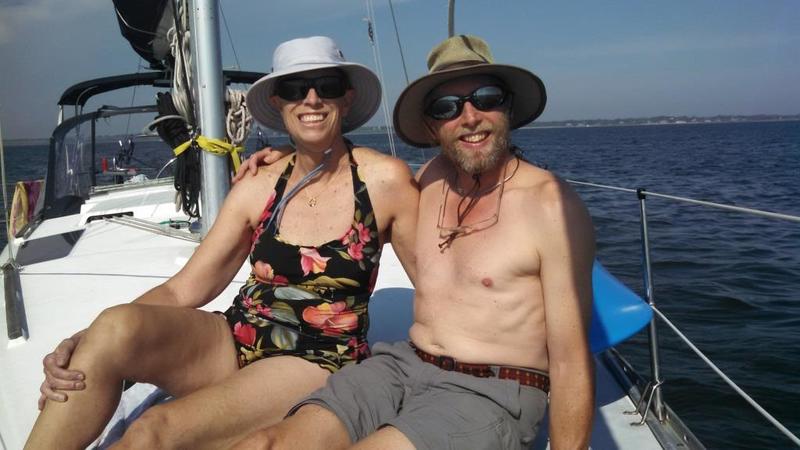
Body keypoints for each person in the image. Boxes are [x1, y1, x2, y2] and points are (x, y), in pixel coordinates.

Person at [27, 36, 418, 450]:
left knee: (150, 433)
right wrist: (81, 340)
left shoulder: (385, 181)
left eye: (327, 85)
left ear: (348, 97)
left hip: (315, 360)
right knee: (113, 325)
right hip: (236, 337)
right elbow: (185, 288)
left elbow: (434, 285)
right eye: (294, 89)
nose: (312, 99)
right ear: (280, 103)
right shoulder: (260, 183)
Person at [231, 34, 596, 450]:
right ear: (431, 125)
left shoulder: (549, 205)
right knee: (264, 443)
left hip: (492, 387)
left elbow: (571, 358)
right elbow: (349, 175)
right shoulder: (429, 180)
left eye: (487, 97)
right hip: (403, 365)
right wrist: (291, 153)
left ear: (507, 107)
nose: (470, 116)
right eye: (447, 107)